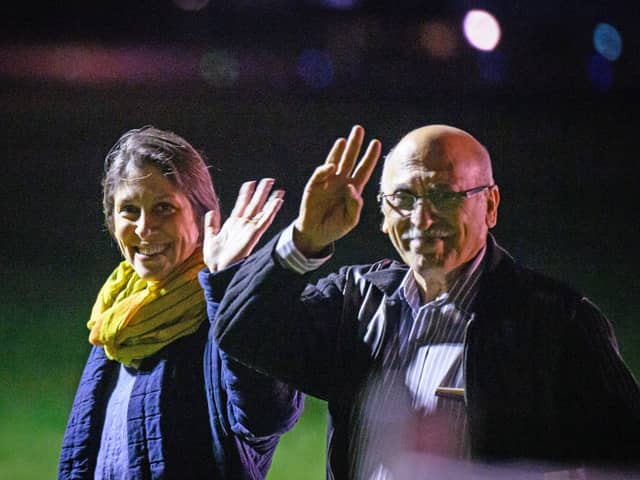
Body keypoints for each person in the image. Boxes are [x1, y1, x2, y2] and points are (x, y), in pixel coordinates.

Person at [212, 125, 640, 479]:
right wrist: (303, 241)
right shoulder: (358, 302)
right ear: (381, 214)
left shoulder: (556, 321)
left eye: (444, 195)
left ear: (489, 205)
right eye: (403, 199)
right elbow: (243, 331)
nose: (421, 218)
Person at [58, 126, 303, 479]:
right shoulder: (116, 320)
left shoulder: (223, 307)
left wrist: (230, 284)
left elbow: (269, 414)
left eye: (163, 208)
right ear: (112, 222)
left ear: (201, 216)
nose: (144, 228)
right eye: (129, 210)